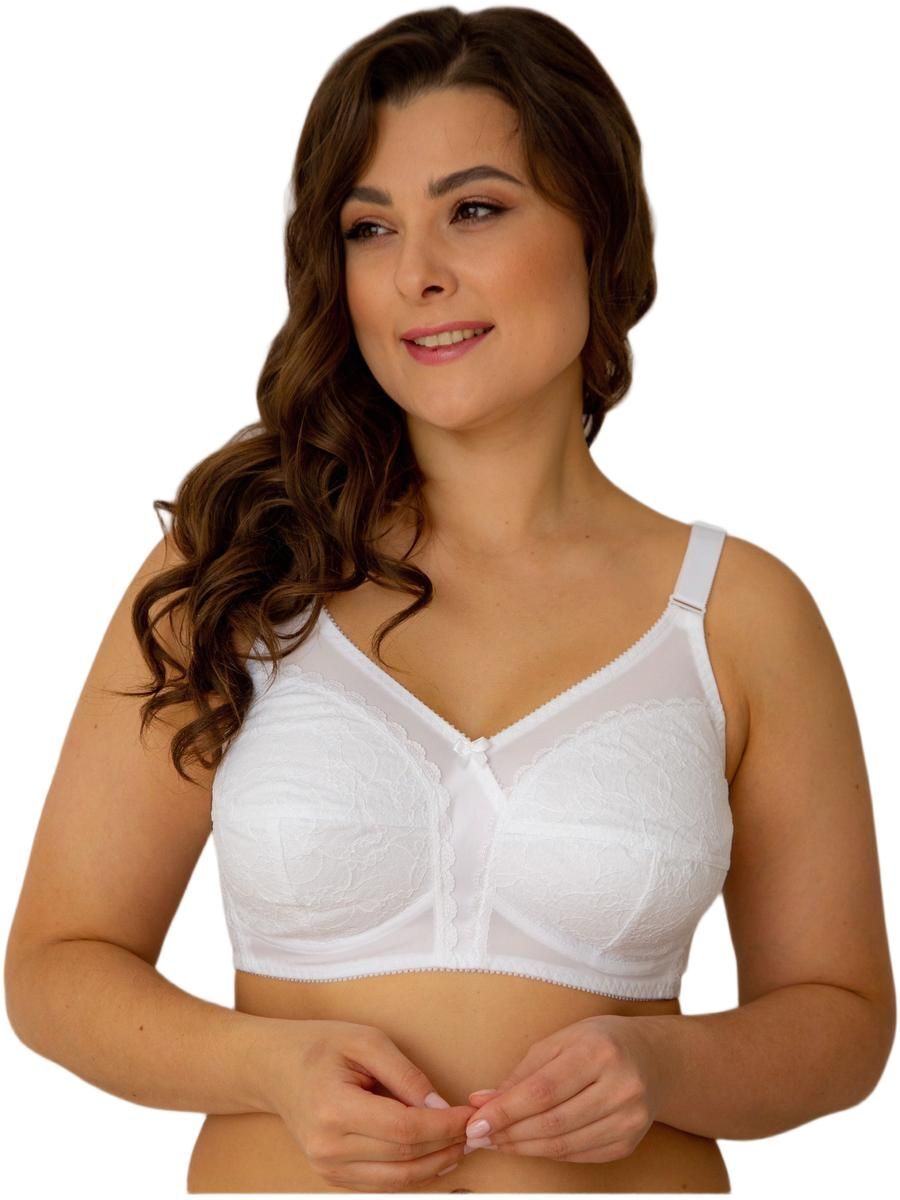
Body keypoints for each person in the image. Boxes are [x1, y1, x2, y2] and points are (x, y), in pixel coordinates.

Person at [5, 5, 894, 1195]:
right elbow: (56, 964)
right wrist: (270, 1067)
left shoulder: (737, 613)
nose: (416, 273)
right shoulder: (239, 568)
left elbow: (841, 1017)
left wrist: (665, 1067)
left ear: (600, 230)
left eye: (474, 210)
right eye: (370, 228)